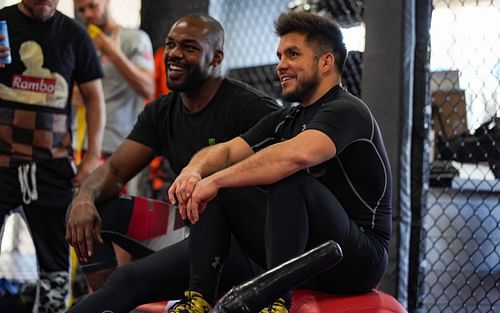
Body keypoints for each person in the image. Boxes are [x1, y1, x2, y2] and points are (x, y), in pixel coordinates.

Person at [168, 11, 392, 313]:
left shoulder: (348, 110)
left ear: (326, 62)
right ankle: (199, 300)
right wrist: (194, 172)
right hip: (306, 254)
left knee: (290, 180)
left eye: (293, 54)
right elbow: (225, 152)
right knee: (220, 181)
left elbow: (295, 155)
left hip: (357, 259)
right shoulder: (287, 118)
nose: (281, 65)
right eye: (279, 56)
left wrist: (216, 180)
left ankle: (275, 302)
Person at [65, 14, 279, 312]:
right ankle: (110, 299)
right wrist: (83, 199)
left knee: (128, 278)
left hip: (240, 248)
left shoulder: (252, 109)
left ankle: (118, 294)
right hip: (191, 228)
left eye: (189, 47)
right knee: (93, 211)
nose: (175, 54)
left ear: (216, 57)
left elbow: (284, 193)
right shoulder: (163, 110)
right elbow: (114, 171)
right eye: (170, 45)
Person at [0, 0, 105, 312]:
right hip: (1, 162)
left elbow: (94, 98)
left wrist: (92, 157)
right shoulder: (2, 25)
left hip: (50, 166)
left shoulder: (73, 34)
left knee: (55, 269)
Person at [72, 0, 155, 287]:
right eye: (81, 10)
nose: (88, 15)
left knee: (116, 225)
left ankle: (120, 295)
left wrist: (111, 51)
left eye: (92, 7)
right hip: (80, 147)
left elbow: (148, 87)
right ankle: (93, 297)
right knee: (81, 226)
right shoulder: (79, 41)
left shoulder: (134, 38)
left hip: (122, 151)